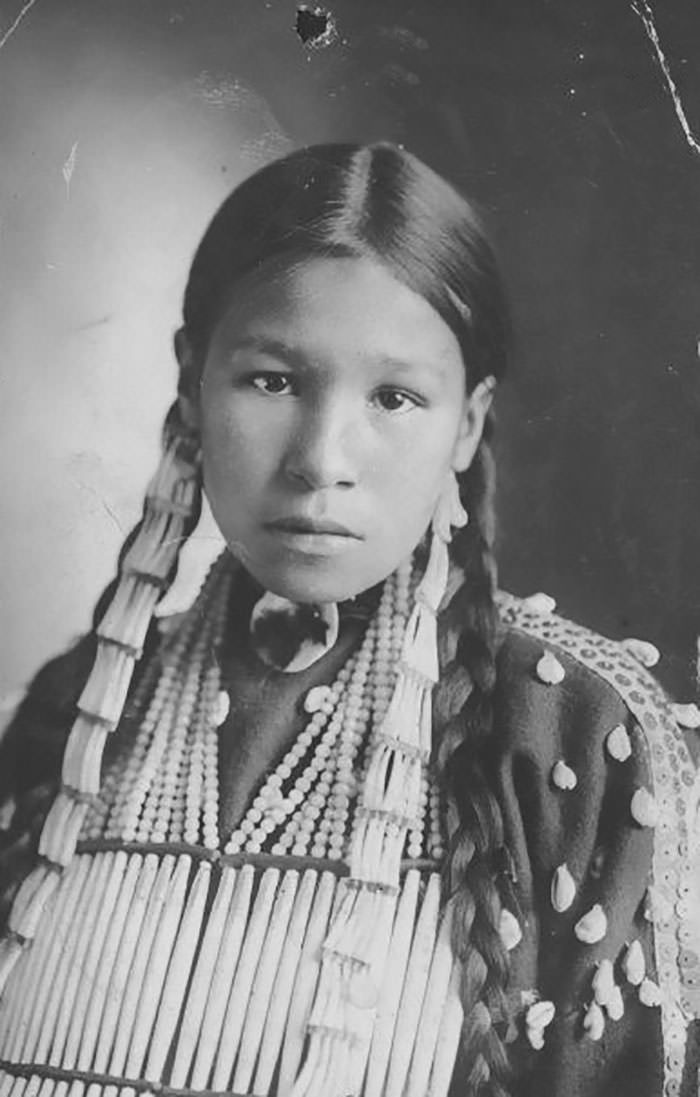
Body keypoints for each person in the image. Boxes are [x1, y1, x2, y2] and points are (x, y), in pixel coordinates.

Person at [0, 141, 697, 1097]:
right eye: (273, 380)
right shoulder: (73, 714)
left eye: (395, 397)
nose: (322, 458)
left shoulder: (577, 737)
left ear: (468, 422)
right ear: (192, 381)